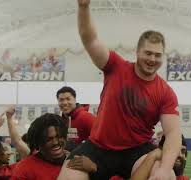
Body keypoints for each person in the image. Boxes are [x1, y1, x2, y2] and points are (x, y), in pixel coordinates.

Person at [57, 0, 181, 179]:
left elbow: (173, 133)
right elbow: (90, 40)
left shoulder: (165, 92)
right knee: (68, 176)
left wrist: (163, 170)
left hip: (137, 151)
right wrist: (83, 7)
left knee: (167, 175)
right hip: (98, 147)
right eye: (148, 53)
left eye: (157, 55)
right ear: (137, 52)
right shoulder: (116, 66)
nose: (152, 59)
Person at [11, 113, 68, 179]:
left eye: (59, 136)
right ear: (38, 143)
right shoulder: (25, 169)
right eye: (48, 139)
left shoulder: (77, 162)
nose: (55, 142)